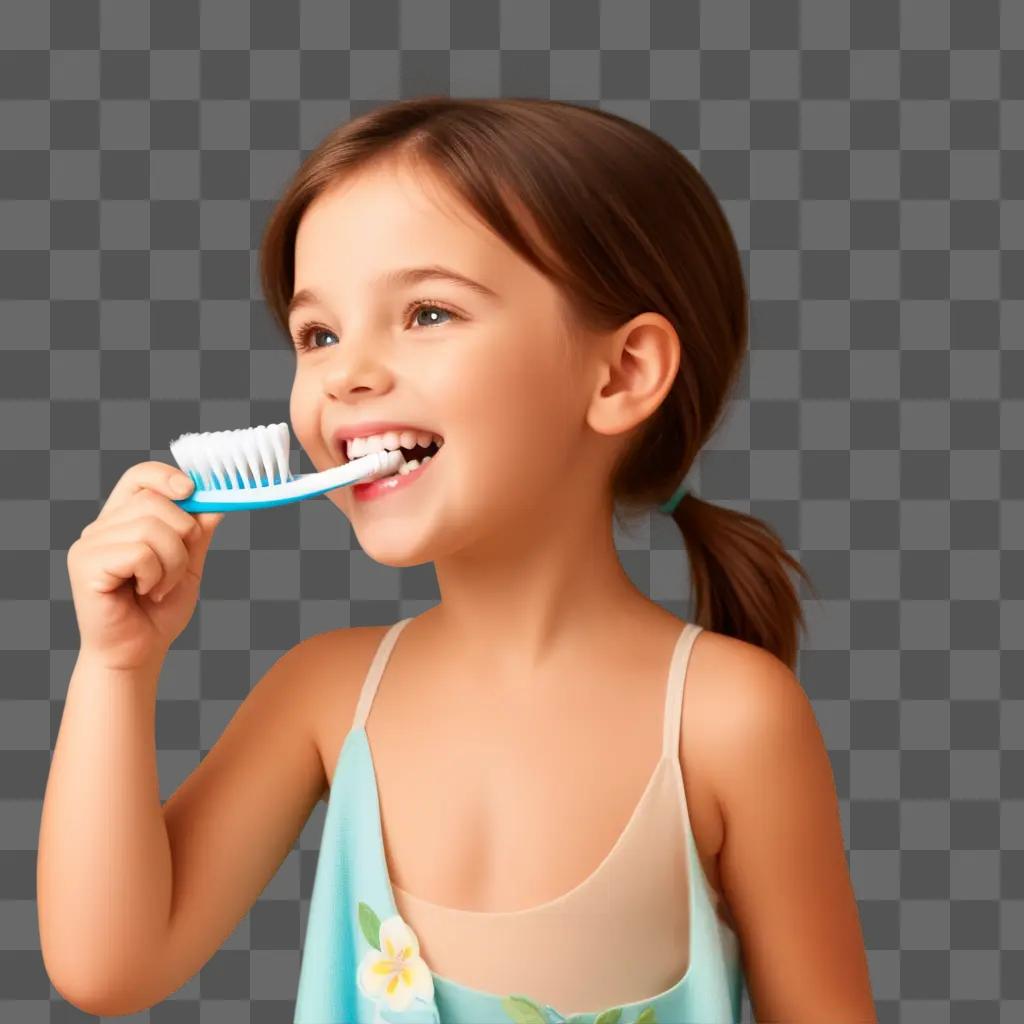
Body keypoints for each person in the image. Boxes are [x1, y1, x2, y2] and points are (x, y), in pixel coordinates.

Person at [40, 96, 877, 1022]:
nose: (346, 373)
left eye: (427, 312)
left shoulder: (730, 719)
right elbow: (107, 970)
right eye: (318, 334)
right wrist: (118, 664)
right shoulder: (326, 696)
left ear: (622, 372)